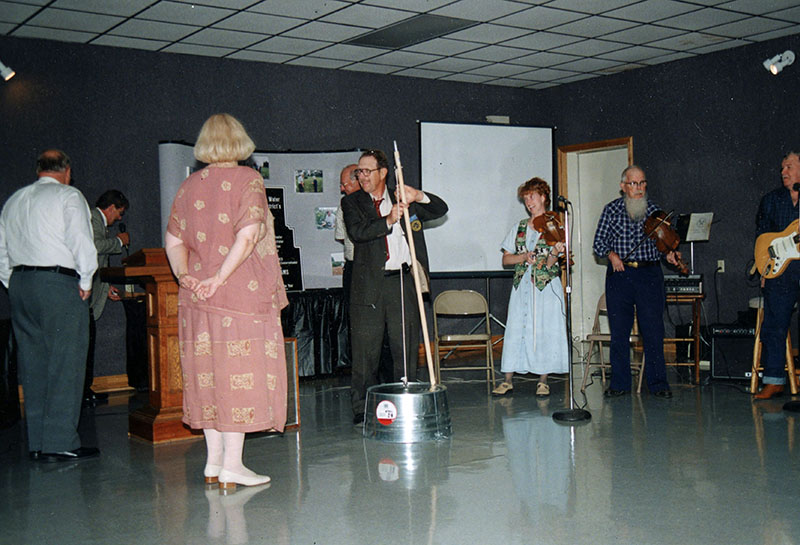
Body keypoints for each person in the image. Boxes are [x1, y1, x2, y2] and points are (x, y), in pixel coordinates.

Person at [165, 113, 288, 489]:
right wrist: (219, 278)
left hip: (196, 299)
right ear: (241, 142)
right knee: (239, 378)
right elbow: (249, 236)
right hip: (238, 296)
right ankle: (234, 464)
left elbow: (173, 241)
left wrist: (188, 277)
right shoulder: (248, 179)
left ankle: (213, 463)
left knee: (209, 376)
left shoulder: (188, 185)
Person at [0, 149, 99, 461]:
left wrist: (12, 283)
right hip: (58, 284)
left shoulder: (14, 200)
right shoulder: (69, 196)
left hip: (20, 284)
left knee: (32, 365)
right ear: (67, 171)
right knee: (66, 363)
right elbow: (81, 240)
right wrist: (86, 281)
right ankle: (59, 442)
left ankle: (38, 443)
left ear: (38, 169)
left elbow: (1, 250)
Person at [342, 149, 448, 424]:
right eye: (359, 172)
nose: (361, 176)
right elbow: (358, 232)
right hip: (368, 287)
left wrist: (418, 195)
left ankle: (406, 400)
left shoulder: (403, 198)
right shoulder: (352, 203)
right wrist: (389, 220)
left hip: (401, 282)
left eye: (366, 171)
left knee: (405, 347)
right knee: (366, 352)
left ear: (383, 173)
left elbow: (440, 209)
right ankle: (361, 409)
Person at [592, 165, 678, 399]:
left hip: (649, 276)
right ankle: (619, 384)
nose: (638, 188)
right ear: (623, 186)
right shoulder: (611, 210)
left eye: (642, 183)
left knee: (653, 331)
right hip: (620, 277)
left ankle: (658, 383)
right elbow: (598, 244)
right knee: (619, 332)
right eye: (633, 184)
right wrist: (611, 255)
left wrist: (669, 254)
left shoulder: (655, 211)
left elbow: (663, 247)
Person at [492, 178, 568, 397]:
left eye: (532, 196)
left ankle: (542, 381)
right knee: (517, 328)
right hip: (523, 285)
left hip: (545, 287)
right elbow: (506, 260)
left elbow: (554, 262)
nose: (528, 202)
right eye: (525, 199)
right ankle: (507, 380)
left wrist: (555, 252)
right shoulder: (520, 227)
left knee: (543, 329)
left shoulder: (555, 225)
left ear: (543, 197)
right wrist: (523, 256)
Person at [753, 151, 800, 399]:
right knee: (773, 324)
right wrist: (764, 267)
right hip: (780, 270)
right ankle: (773, 380)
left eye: (789, 167)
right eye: (782, 168)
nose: (784, 172)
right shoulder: (771, 200)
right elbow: (762, 237)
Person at [84, 189, 130, 407]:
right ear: (111, 207)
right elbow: (94, 247)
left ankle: (86, 389)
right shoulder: (93, 218)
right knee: (86, 341)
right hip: (83, 293)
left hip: (93, 287)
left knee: (88, 341)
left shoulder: (96, 221)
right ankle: (84, 390)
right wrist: (119, 243)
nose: (119, 218)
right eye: (119, 213)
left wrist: (105, 286)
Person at [335, 164, 359, 304]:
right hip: (352, 266)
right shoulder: (343, 206)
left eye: (344, 184)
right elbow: (342, 237)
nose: (342, 189)